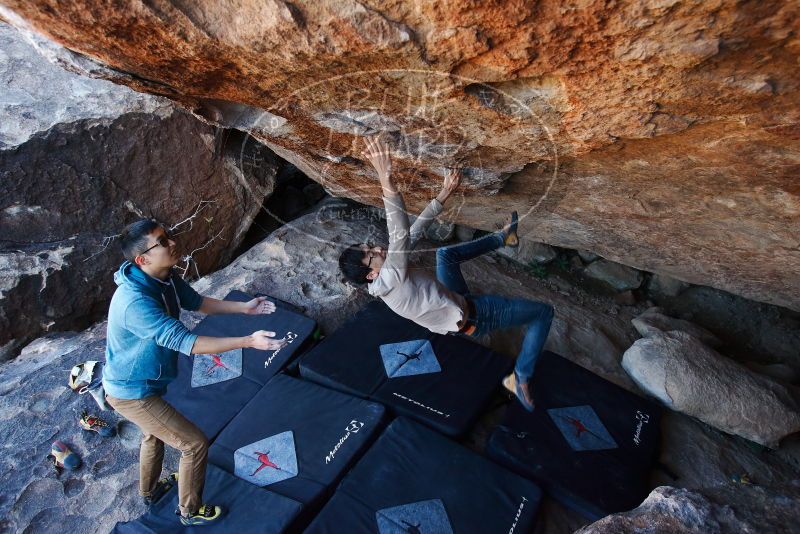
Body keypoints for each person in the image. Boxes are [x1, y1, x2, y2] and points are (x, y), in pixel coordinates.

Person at [338, 136, 554, 411]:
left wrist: (443, 194)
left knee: (445, 255)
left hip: (453, 299)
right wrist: (385, 177)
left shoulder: (386, 272)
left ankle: (504, 239)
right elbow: (400, 232)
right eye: (372, 253)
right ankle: (520, 376)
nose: (379, 248)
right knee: (543, 313)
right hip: (475, 316)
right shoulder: (390, 279)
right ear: (370, 275)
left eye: (371, 246)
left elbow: (412, 234)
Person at [103, 219, 287, 526]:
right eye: (161, 242)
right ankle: (189, 511)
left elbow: (197, 303)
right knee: (193, 444)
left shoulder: (163, 276)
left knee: (153, 435)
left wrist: (245, 309)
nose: (172, 242)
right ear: (142, 259)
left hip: (145, 382)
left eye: (168, 236)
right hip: (131, 392)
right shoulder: (134, 302)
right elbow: (186, 342)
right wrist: (247, 341)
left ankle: (149, 493)